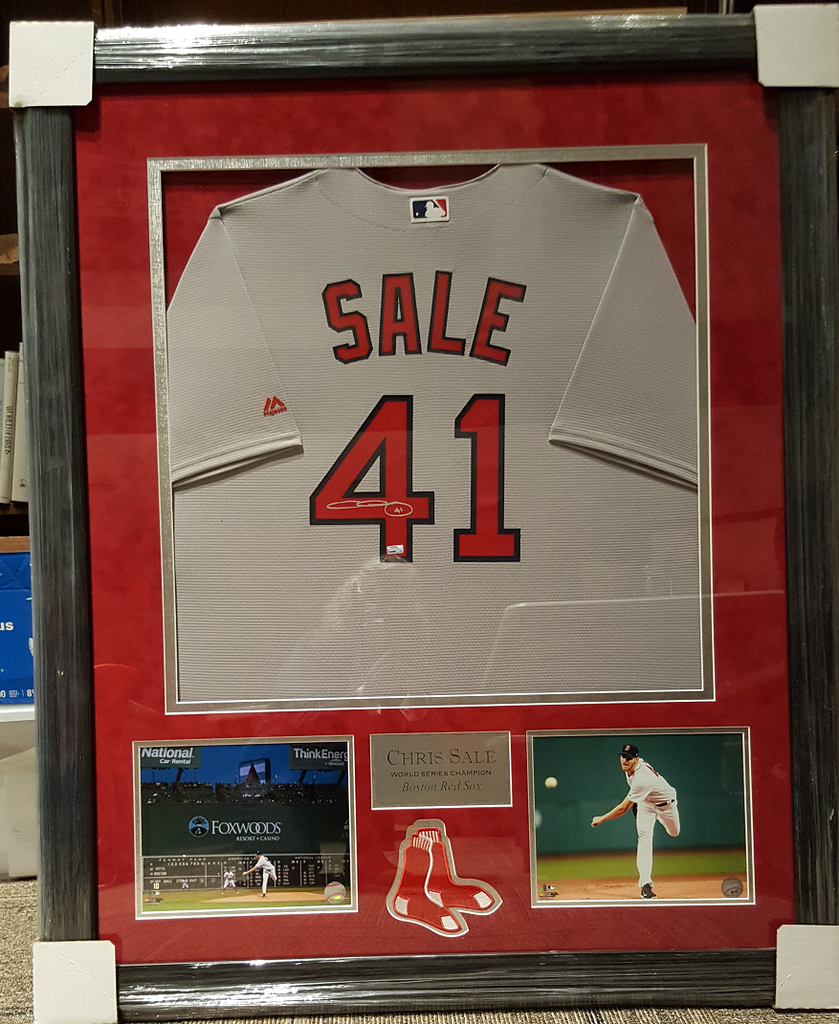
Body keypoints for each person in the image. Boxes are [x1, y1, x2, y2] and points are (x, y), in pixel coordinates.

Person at [590, 742, 680, 899]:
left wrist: (601, 818)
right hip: (646, 804)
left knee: (674, 832)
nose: (625, 760)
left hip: (666, 805)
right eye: (623, 757)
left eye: (629, 758)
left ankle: (649, 809)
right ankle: (646, 885)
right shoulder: (631, 768)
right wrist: (638, 801)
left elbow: (623, 809)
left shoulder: (643, 779)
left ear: (636, 760)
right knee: (644, 839)